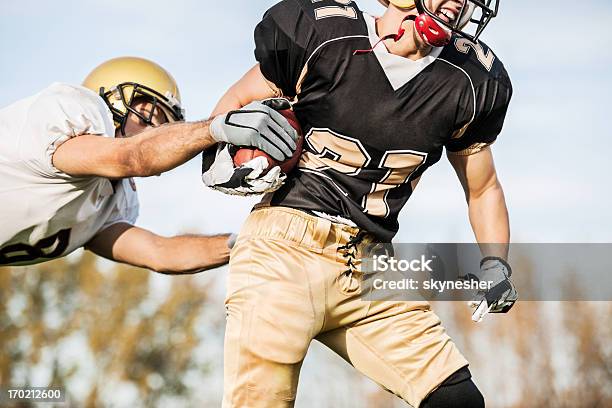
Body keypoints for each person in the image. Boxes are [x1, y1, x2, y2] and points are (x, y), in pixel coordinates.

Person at [204, 0, 518, 406]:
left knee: (457, 401)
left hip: (369, 264)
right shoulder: (324, 35)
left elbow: (483, 188)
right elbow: (234, 104)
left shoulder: (469, 80)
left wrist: (496, 262)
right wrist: (219, 154)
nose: (458, 3)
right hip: (283, 248)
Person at [0, 56, 298, 273]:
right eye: (150, 118)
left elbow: (160, 253)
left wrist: (247, 241)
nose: (157, 135)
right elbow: (131, 156)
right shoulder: (74, 114)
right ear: (114, 102)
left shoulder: (111, 200)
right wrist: (214, 128)